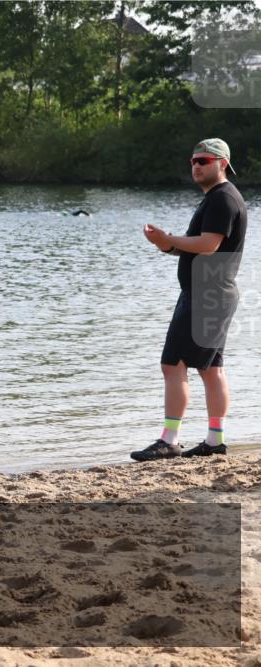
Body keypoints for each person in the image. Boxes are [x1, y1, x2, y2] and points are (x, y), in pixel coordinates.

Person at [133, 138, 248, 461]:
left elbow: (209, 245)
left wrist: (169, 240)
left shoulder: (223, 199)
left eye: (204, 161)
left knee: (173, 365)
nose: (196, 166)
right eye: (193, 161)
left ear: (222, 163)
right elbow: (197, 245)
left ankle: (169, 439)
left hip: (207, 294)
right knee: (211, 369)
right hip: (212, 293)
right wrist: (164, 244)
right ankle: (214, 440)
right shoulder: (215, 199)